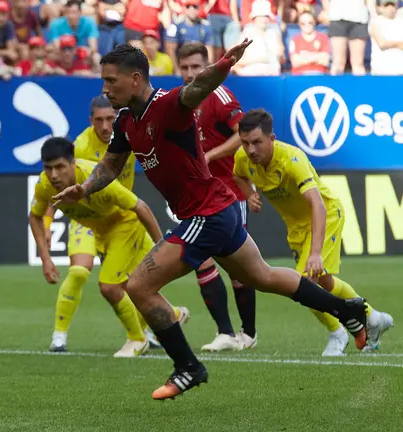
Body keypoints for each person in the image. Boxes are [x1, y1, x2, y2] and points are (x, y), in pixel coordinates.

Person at [52, 43, 368, 401]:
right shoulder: (125, 121)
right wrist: (84, 189)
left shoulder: (168, 105)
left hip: (209, 213)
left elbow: (197, 87)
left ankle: (188, 366)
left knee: (138, 285)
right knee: (262, 277)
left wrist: (223, 64)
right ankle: (347, 309)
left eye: (111, 81)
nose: (105, 89)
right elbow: (110, 165)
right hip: (218, 210)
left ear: (136, 79)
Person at [233, 109, 394, 355]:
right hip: (297, 228)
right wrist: (249, 193)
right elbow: (238, 175)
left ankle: (337, 333)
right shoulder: (242, 159)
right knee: (325, 283)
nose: (251, 149)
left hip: (325, 216)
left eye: (257, 142)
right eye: (245, 143)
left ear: (272, 139)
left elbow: (317, 205)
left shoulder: (292, 160)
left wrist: (316, 253)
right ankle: (373, 318)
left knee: (305, 281)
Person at [39, 96, 190, 354]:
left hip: (121, 214)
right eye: (99, 120)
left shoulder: (127, 133)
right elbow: (58, 186)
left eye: (110, 119)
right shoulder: (81, 149)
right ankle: (59, 337)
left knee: (132, 283)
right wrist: (48, 223)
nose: (106, 126)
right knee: (81, 272)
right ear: (91, 121)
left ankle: (156, 324)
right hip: (87, 216)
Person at [174, 42, 257, 352]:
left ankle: (248, 333)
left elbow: (242, 134)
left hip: (229, 193)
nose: (190, 73)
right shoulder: (181, 100)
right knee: (201, 260)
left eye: (196, 67)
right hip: (199, 197)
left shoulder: (219, 95)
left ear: (207, 67)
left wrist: (208, 156)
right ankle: (225, 333)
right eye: (185, 68)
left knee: (237, 267)